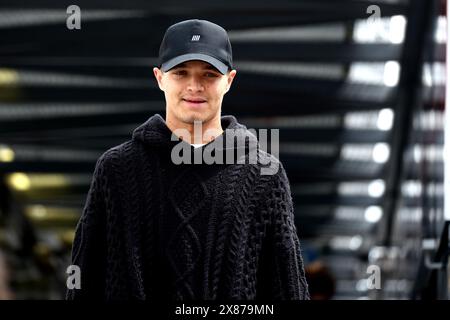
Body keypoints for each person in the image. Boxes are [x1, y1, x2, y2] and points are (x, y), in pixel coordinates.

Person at [66, 19, 309, 300]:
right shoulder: (117, 169)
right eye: (181, 72)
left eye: (209, 74)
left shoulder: (265, 174)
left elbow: (288, 288)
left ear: (229, 81)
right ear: (159, 78)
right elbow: (85, 279)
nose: (194, 86)